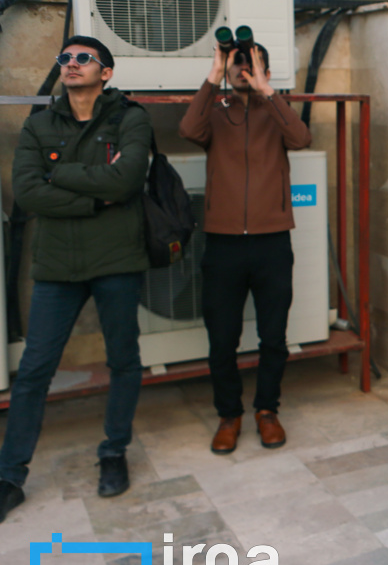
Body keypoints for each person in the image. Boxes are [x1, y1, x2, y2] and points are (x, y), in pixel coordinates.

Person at [0, 36, 152, 522]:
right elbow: (26, 192)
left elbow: (126, 181)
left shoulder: (130, 118)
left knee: (123, 359)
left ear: (106, 72)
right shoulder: (40, 123)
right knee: (35, 370)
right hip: (57, 266)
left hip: (116, 260)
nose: (71, 64)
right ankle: (9, 475)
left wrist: (59, 174)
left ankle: (113, 453)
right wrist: (94, 196)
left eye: (83, 58)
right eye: (65, 58)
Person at [179, 41, 311, 455]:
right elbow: (188, 130)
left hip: (273, 242)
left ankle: (267, 410)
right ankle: (229, 414)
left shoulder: (276, 112)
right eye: (236, 64)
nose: (242, 70)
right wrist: (214, 71)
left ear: (264, 70)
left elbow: (302, 137)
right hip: (222, 243)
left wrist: (267, 90)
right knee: (222, 337)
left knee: (274, 335)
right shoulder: (215, 115)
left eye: (248, 63)